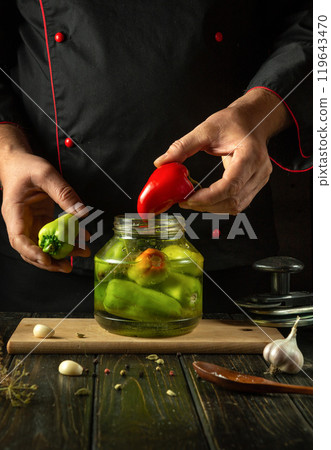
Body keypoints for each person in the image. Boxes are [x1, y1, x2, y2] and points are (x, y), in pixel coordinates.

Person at [0, 1, 312, 312]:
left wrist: (257, 113)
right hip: (50, 238)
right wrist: (8, 152)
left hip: (219, 242)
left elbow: (316, 23)